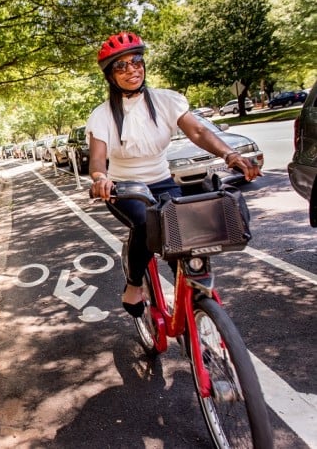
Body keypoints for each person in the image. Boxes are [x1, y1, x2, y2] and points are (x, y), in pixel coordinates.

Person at [87, 32, 261, 317]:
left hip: (163, 181)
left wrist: (230, 155)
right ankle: (133, 284)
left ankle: (194, 310)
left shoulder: (166, 100)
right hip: (125, 189)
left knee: (183, 240)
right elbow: (97, 159)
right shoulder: (103, 115)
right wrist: (100, 179)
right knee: (146, 225)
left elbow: (199, 131)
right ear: (110, 76)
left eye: (137, 61)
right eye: (121, 66)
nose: (132, 69)